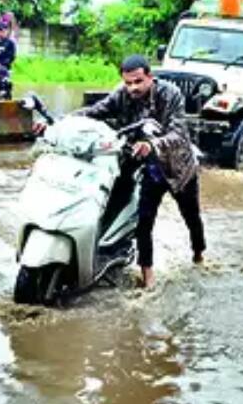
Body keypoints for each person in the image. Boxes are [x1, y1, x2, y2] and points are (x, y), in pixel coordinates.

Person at [33, 55, 206, 288]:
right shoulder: (123, 94)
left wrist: (152, 145)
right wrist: (59, 124)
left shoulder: (170, 95)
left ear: (149, 78)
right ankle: (147, 277)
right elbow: (94, 112)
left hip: (176, 166)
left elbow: (179, 134)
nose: (132, 88)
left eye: (138, 81)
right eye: (127, 82)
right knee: (143, 222)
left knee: (191, 217)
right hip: (145, 165)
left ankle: (198, 255)